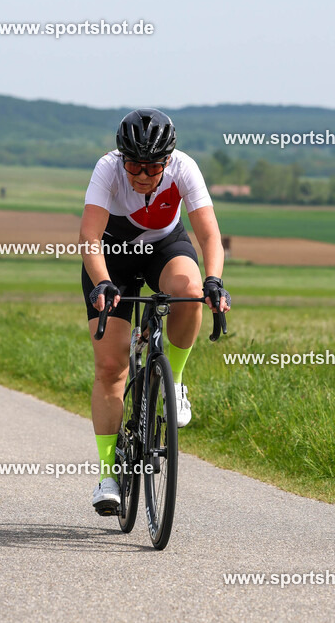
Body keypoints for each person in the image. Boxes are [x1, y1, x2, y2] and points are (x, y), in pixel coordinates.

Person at [80, 109, 231, 515]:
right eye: (134, 165)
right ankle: (108, 475)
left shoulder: (185, 168)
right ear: (121, 157)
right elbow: (90, 236)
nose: (142, 175)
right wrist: (102, 282)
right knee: (111, 368)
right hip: (113, 256)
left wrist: (214, 280)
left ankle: (175, 381)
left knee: (191, 291)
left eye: (152, 167)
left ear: (167, 161)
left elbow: (209, 233)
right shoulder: (107, 169)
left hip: (165, 247)